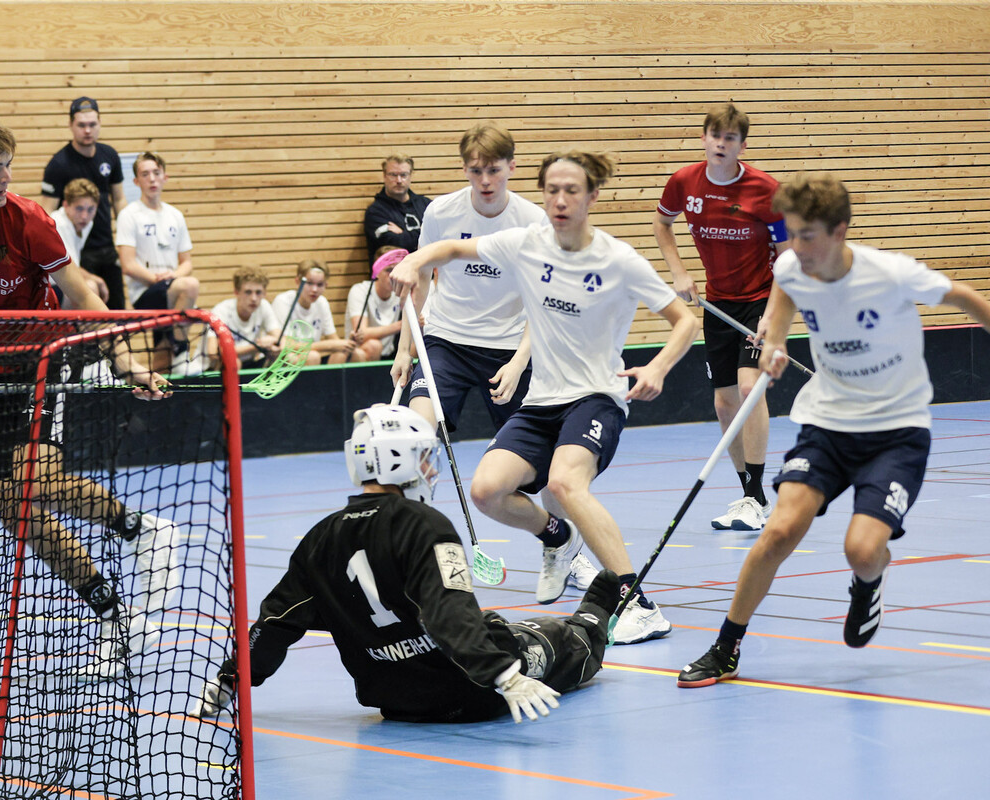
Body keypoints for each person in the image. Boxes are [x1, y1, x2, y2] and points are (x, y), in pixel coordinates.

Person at [0, 113, 179, 681]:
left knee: (33, 482)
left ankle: (143, 530)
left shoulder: (28, 219)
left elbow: (82, 295)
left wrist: (125, 360)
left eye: (9, 167)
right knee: (17, 514)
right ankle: (113, 611)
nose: (6, 178)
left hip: (42, 358)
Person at [677, 172, 990, 687]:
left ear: (840, 231)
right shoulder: (792, 266)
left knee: (861, 551)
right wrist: (774, 344)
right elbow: (782, 303)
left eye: (808, 236)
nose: (796, 247)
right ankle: (725, 648)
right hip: (828, 425)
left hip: (896, 432)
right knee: (778, 531)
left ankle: (869, 581)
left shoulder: (889, 273)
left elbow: (966, 298)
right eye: (791, 233)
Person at [390, 151, 698, 645]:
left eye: (571, 190)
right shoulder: (525, 243)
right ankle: (556, 536)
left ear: (592, 196)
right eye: (552, 190)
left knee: (565, 483)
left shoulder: (618, 260)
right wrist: (413, 260)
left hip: (595, 396)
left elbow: (684, 321)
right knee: (487, 491)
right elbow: (450, 248)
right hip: (541, 401)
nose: (559, 200)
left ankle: (638, 604)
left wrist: (658, 367)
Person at [191, 404, 620, 724]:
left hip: (396, 702)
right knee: (545, 637)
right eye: (424, 456)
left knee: (490, 625)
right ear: (399, 458)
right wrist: (503, 676)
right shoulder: (424, 524)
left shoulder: (320, 538)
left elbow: (274, 623)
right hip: (474, 693)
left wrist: (230, 679)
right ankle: (594, 618)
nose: (430, 469)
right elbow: (448, 613)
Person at [654, 103, 788, 532]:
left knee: (750, 388)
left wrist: (773, 316)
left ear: (742, 146)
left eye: (730, 138)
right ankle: (752, 495)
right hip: (718, 303)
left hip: (761, 300)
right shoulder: (684, 182)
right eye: (715, 135)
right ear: (704, 139)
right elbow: (662, 224)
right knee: (724, 403)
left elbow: (788, 258)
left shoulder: (766, 190)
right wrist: (679, 272)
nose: (721, 144)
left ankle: (754, 497)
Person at [390, 122, 546, 437]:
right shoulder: (441, 212)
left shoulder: (533, 221)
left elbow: (540, 301)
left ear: (512, 167)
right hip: (446, 342)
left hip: (508, 346)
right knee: (415, 433)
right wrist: (404, 349)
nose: (485, 181)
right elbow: (422, 279)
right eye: (476, 171)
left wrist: (519, 362)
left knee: (532, 452)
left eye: (494, 170)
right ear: (464, 169)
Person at [115, 151, 201, 376]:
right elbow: (128, 265)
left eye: (156, 173)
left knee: (162, 351)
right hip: (145, 292)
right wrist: (157, 279)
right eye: (145, 174)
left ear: (165, 177)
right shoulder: (129, 215)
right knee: (190, 285)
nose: (152, 179)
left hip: (171, 288)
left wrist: (172, 276)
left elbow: (186, 263)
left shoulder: (175, 215)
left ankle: (161, 388)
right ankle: (182, 351)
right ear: (136, 181)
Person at [39, 97, 128, 309]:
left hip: (106, 244)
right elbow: (46, 213)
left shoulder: (109, 156)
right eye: (81, 125)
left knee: (117, 311)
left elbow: (119, 200)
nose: (87, 130)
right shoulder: (59, 164)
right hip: (77, 249)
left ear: (99, 123)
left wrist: (126, 240)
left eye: (92, 124)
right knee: (89, 301)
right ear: (71, 125)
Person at [270, 259, 364, 365]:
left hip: (312, 353)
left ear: (326, 286)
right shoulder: (283, 301)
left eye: (320, 285)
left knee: (354, 353)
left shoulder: (322, 302)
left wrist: (349, 342)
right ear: (298, 282)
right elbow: (285, 344)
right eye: (309, 283)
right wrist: (327, 345)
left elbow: (333, 339)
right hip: (285, 356)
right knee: (312, 356)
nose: (314, 289)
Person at [206, 265, 282, 371]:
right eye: (248, 292)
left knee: (283, 356)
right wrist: (257, 347)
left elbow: (280, 338)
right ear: (236, 292)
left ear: (264, 293)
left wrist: (273, 343)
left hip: (249, 362)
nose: (254, 298)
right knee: (233, 361)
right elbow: (214, 352)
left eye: (258, 292)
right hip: (213, 368)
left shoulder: (263, 306)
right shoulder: (221, 311)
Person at [50, 178, 110, 306]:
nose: (84, 216)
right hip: (41, 290)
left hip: (58, 286)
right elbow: (69, 269)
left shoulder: (86, 224)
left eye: (90, 209)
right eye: (79, 208)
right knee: (90, 286)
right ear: (66, 205)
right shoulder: (58, 223)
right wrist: (95, 279)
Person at [363, 154, 431, 265]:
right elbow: (395, 245)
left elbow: (441, 237)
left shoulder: (426, 205)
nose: (399, 180)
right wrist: (424, 233)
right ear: (384, 176)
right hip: (393, 274)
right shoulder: (375, 212)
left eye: (403, 175)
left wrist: (404, 233)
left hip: (427, 272)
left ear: (410, 176)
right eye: (393, 175)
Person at [344, 245, 403, 362]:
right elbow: (361, 334)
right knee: (374, 346)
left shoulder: (402, 291)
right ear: (377, 271)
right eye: (389, 270)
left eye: (398, 270)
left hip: (389, 354)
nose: (394, 275)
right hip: (358, 353)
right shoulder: (360, 290)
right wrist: (401, 325)